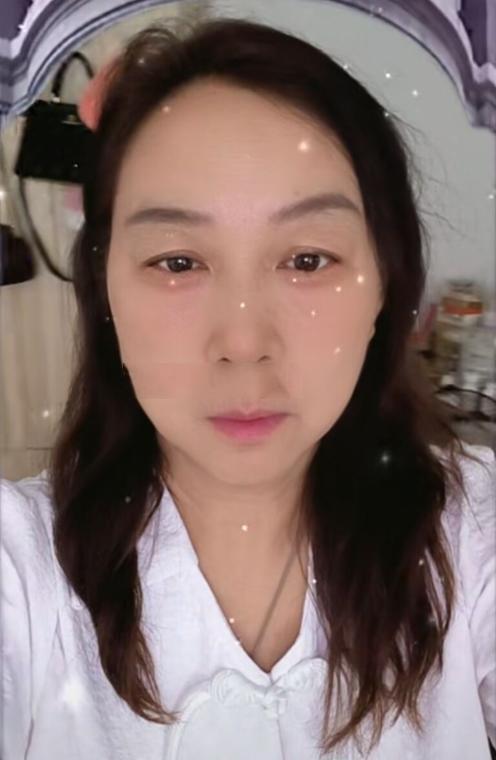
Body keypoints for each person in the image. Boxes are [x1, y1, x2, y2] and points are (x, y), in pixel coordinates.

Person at [1, 16, 495, 760]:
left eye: (307, 259)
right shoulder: (20, 570)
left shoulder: (472, 534)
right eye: (177, 262)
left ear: (385, 289)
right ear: (106, 294)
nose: (242, 343)